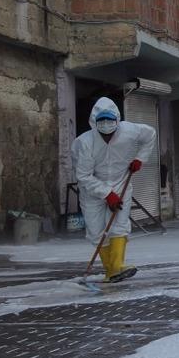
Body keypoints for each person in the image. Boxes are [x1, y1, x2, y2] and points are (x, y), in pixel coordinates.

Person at [72, 97, 157, 283]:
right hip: (92, 189)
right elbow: (84, 176)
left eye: (110, 128)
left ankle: (117, 266)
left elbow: (150, 134)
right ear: (94, 123)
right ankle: (110, 270)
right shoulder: (84, 143)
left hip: (121, 182)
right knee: (96, 231)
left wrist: (140, 158)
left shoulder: (130, 131)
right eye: (102, 128)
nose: (107, 135)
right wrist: (107, 194)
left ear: (117, 121)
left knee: (119, 224)